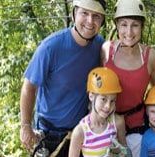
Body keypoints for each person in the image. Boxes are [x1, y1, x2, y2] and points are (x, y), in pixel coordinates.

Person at [20, 0, 106, 156]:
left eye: (96, 16)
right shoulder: (50, 47)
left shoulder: (100, 46)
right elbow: (29, 87)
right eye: (84, 13)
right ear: (74, 14)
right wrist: (25, 125)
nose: (90, 21)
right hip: (48, 133)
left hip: (80, 132)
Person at [101, 0, 155, 157]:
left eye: (135, 25)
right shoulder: (106, 51)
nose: (129, 31)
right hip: (107, 124)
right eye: (124, 24)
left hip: (136, 127)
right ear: (117, 26)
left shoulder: (150, 56)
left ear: (142, 27)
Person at [69, 67, 132, 157]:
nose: (108, 106)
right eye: (103, 99)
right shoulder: (80, 132)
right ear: (91, 96)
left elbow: (126, 153)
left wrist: (121, 153)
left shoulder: (117, 123)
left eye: (112, 101)